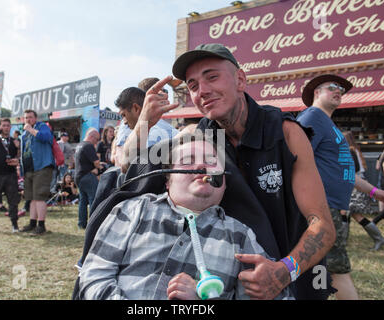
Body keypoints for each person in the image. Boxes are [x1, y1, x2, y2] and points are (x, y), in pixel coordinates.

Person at [126, 43, 334, 300]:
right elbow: (129, 166)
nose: (202, 90)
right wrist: (144, 121)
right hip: (238, 283)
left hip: (295, 274)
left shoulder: (285, 132)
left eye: (212, 77)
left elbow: (323, 225)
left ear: (240, 80)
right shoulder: (198, 136)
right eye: (192, 85)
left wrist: (283, 271)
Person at [78, 135, 293, 300]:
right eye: (188, 161)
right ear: (168, 180)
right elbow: (94, 276)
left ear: (224, 181)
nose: (201, 167)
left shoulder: (241, 236)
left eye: (210, 161)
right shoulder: (132, 211)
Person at [297, 74, 384, 300]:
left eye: (341, 88)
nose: (338, 90)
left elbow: (344, 172)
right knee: (333, 265)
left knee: (323, 264)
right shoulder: (312, 117)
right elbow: (296, 157)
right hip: (323, 208)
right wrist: (316, 203)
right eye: (332, 87)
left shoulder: (328, 123)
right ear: (316, 93)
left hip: (334, 207)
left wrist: (373, 191)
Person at [116, 87, 178, 173]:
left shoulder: (146, 134)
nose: (124, 122)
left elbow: (126, 169)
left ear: (136, 109)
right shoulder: (172, 130)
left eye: (124, 115)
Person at [343, 131, 384, 250]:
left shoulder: (349, 151)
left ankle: (378, 239)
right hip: (357, 185)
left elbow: (353, 169)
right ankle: (343, 241)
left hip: (355, 186)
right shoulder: (354, 150)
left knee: (352, 214)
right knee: (348, 214)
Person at [20, 109, 55, 235]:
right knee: (31, 198)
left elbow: (47, 138)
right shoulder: (24, 134)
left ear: (35, 118)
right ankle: (32, 223)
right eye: (26, 118)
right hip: (29, 169)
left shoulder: (42, 127)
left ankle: (41, 225)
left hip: (42, 166)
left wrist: (31, 129)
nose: (28, 120)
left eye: (30, 117)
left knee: (39, 197)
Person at [74, 128, 101, 229]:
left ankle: (82, 223)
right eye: (97, 139)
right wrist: (100, 167)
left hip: (79, 177)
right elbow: (96, 162)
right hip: (87, 177)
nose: (97, 142)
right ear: (92, 136)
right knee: (94, 199)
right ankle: (93, 224)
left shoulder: (79, 145)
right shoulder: (88, 145)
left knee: (83, 201)